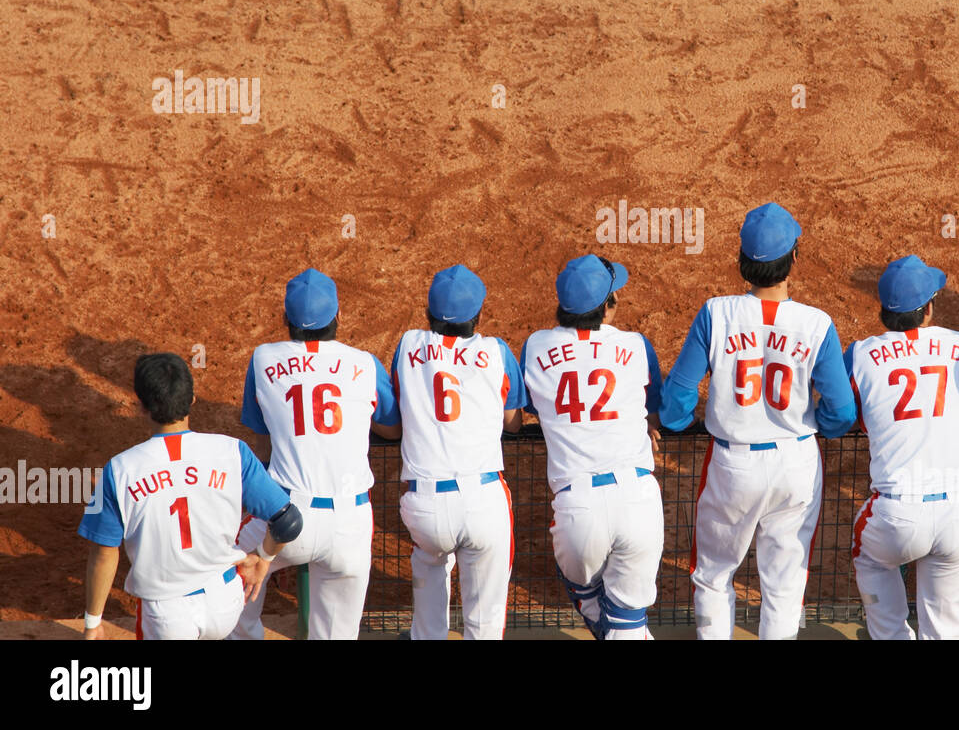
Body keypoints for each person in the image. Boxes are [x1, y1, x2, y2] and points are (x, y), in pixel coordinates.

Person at [659, 202, 857, 640]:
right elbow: (842, 412)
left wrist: (680, 423)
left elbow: (675, 404)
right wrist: (814, 426)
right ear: (794, 260)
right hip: (797, 465)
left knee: (713, 575)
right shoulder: (817, 323)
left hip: (732, 466)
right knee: (785, 584)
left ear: (741, 263)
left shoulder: (716, 313)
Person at [78, 353, 302, 640]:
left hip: (166, 616)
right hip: (226, 603)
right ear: (192, 399)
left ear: (141, 407)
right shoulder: (233, 452)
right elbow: (289, 522)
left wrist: (92, 621)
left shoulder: (119, 470)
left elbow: (104, 553)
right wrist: (263, 557)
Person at [230, 267, 400, 640]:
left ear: (285, 320)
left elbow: (263, 443)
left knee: (225, 575)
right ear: (339, 317)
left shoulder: (263, 359)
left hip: (285, 517)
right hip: (351, 525)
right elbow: (393, 428)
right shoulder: (364, 363)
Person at [520, 254, 664, 639]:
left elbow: (535, 406)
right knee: (628, 623)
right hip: (638, 499)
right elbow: (654, 404)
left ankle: (593, 607)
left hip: (577, 508)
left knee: (600, 605)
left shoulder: (535, 347)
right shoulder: (635, 345)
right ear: (607, 306)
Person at [844, 255, 959, 639]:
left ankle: (891, 634)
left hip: (896, 515)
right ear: (927, 310)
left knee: (870, 558)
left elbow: (842, 415)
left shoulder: (858, 355)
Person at [389, 264, 525, 639]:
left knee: (429, 599)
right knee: (484, 621)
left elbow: (397, 410)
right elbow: (513, 422)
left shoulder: (408, 345)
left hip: (425, 506)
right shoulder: (496, 351)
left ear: (427, 314)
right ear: (478, 316)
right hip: (483, 503)